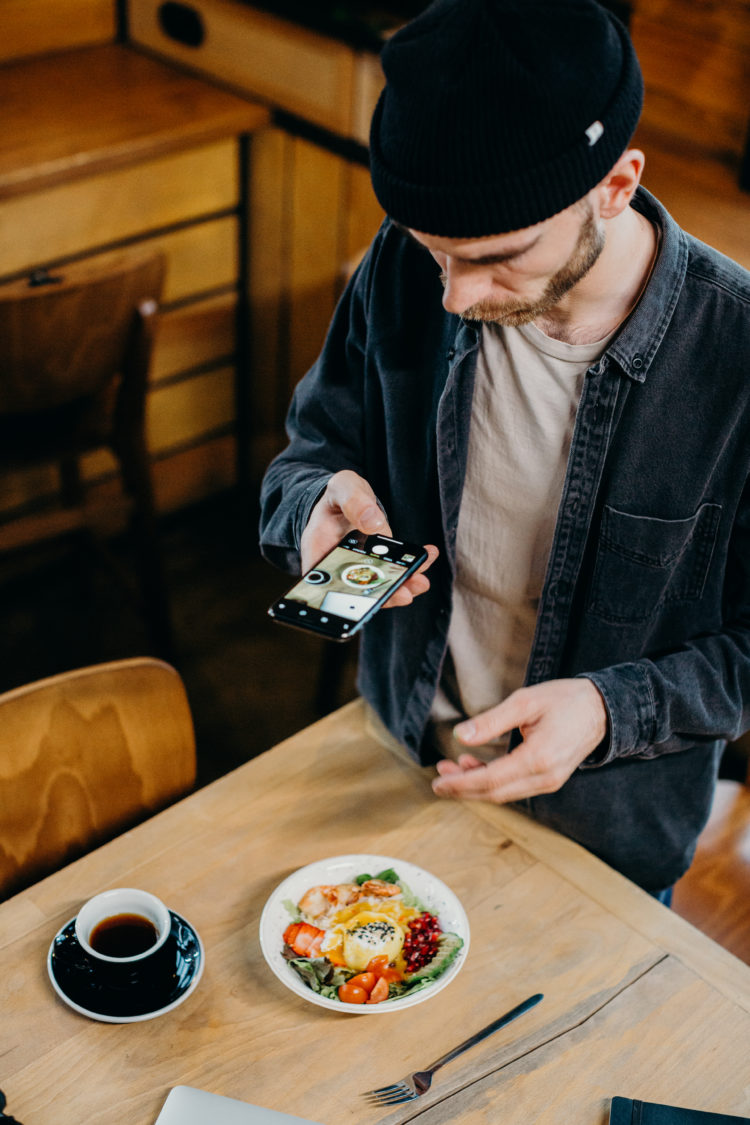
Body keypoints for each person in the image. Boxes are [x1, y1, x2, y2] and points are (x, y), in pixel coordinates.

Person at [259, 0, 750, 898]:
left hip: (603, 836)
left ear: (617, 184)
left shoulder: (736, 361)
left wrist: (608, 708)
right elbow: (313, 444)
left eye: (497, 258)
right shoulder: (408, 270)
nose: (453, 295)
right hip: (403, 758)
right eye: (435, 254)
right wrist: (313, 504)